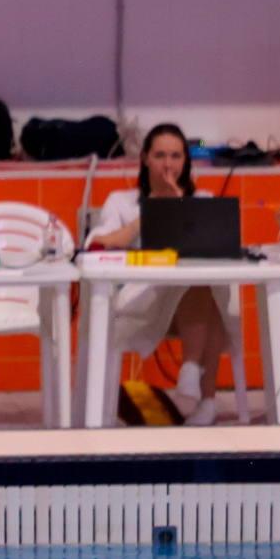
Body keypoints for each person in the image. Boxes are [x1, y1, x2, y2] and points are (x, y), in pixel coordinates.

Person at [85, 122, 235, 426]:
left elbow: (215, 251)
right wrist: (150, 213)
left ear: (186, 161)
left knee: (206, 286)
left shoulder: (202, 199)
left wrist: (181, 206)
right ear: (145, 158)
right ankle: (203, 395)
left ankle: (192, 376)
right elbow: (100, 244)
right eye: (160, 156)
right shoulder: (121, 201)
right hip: (141, 299)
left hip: (190, 303)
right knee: (206, 293)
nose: (169, 164)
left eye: (176, 156)